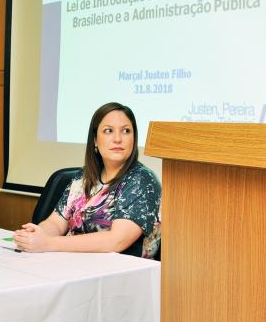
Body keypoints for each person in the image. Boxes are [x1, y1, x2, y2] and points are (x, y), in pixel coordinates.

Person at [14, 102, 161, 258]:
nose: (118, 139)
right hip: (73, 263)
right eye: (108, 131)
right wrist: (37, 234)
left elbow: (116, 241)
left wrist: (48, 244)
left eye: (126, 131)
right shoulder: (83, 177)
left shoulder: (142, 180)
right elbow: (56, 222)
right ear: (95, 140)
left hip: (120, 273)